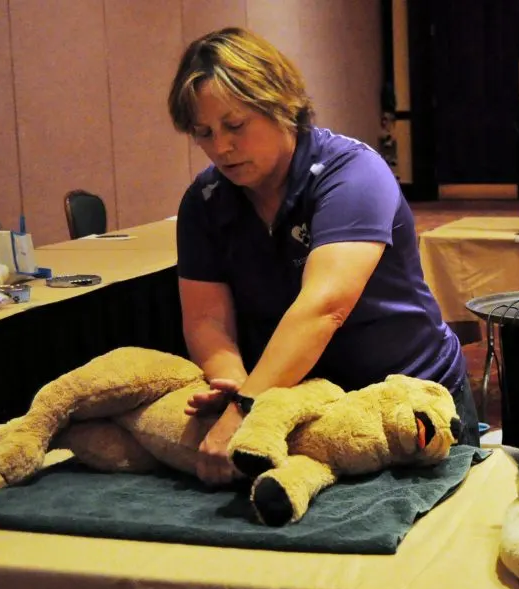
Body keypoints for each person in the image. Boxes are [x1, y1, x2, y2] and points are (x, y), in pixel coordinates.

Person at [167, 26, 479, 486]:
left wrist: (246, 408)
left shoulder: (353, 173)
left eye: (234, 126)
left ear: (281, 105)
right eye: (203, 133)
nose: (220, 147)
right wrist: (232, 384)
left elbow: (323, 308)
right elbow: (206, 320)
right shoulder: (205, 199)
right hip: (302, 411)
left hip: (407, 402)